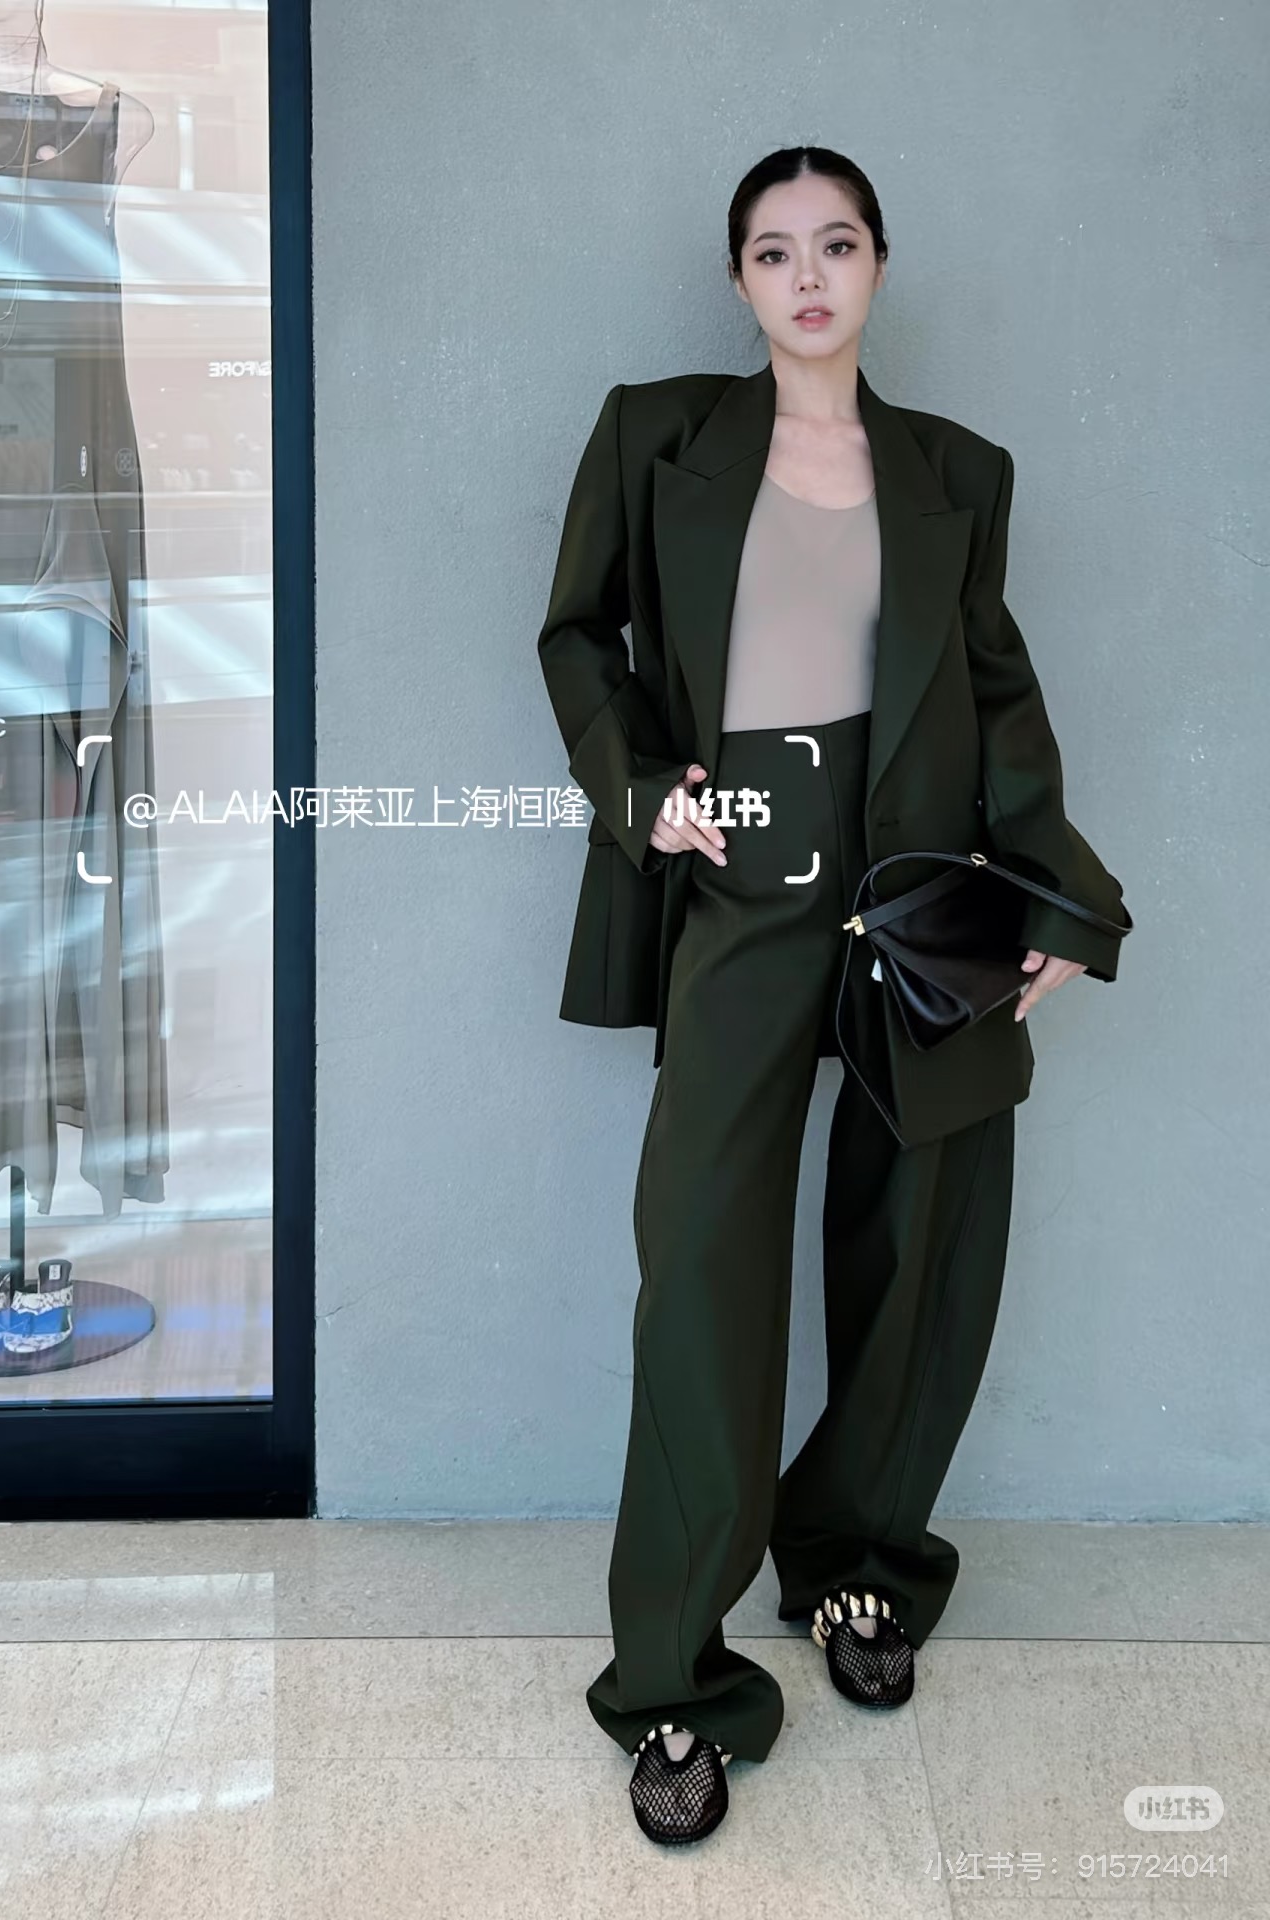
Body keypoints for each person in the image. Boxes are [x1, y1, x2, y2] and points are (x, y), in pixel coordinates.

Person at [536, 145, 1131, 1847]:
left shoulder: (954, 472)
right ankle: (672, 1674)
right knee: (701, 1271)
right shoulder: (656, 435)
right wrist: (642, 792)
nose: (809, 276)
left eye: (839, 244)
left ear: (878, 266)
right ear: (739, 280)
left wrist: (1062, 901)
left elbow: (998, 696)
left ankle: (858, 1561)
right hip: (742, 883)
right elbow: (577, 637)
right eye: (775, 250)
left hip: (918, 890)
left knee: (919, 1238)